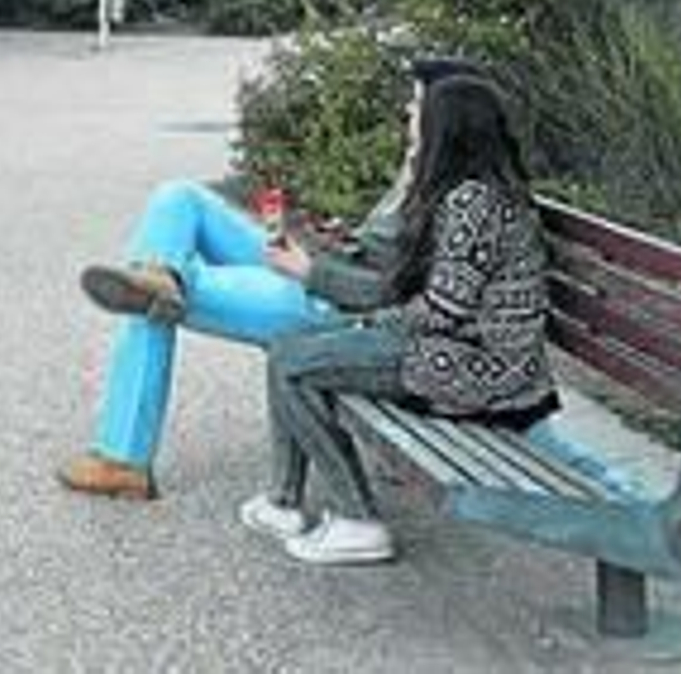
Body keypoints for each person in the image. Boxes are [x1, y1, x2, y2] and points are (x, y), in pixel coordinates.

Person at [58, 57, 484, 501]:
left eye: (416, 104)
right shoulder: (424, 166)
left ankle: (123, 458)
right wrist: (334, 242)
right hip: (324, 275)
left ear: (444, 117)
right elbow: (382, 253)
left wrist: (313, 271)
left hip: (335, 309)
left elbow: (402, 293)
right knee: (177, 199)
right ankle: (161, 274)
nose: (407, 112)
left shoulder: (456, 197)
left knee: (152, 300)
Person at [239, 74, 558, 565]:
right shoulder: (468, 193)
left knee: (292, 359)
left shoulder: (474, 202)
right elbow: (430, 297)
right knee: (291, 341)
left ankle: (356, 520)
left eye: (417, 116)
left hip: (479, 370)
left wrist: (370, 325)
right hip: (463, 353)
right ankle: (284, 500)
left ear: (445, 129)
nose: (409, 123)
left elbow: (443, 313)